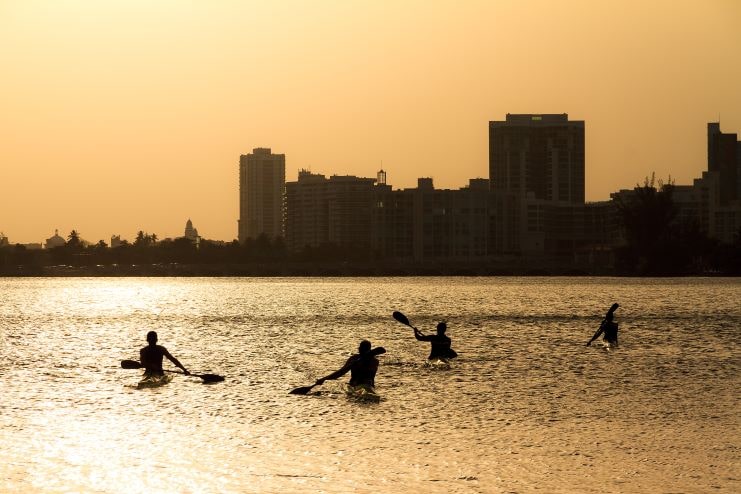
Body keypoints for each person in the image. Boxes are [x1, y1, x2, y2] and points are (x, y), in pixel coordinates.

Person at [315, 340, 383, 388]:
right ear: (359, 349)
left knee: (367, 381)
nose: (360, 350)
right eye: (361, 349)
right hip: (354, 385)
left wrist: (367, 356)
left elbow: (382, 349)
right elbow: (340, 372)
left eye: (363, 349)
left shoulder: (374, 361)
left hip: (368, 385)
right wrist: (323, 379)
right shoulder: (353, 359)